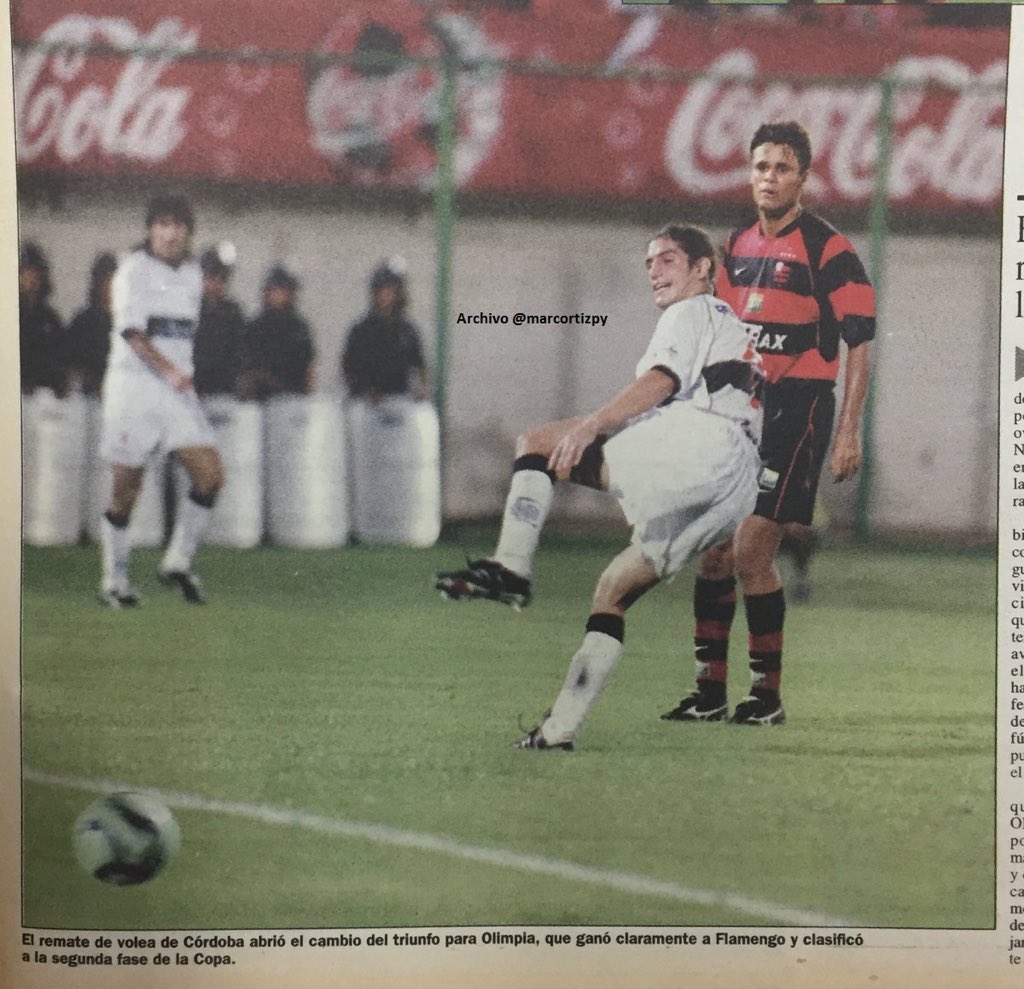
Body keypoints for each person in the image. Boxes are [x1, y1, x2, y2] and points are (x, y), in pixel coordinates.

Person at [435, 224, 763, 750]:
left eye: (668, 259)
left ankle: (511, 569)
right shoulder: (726, 324)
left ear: (704, 268)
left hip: (706, 449)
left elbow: (661, 381)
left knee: (538, 443)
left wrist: (593, 424)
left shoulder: (692, 311)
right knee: (612, 590)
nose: (654, 271)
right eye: (649, 263)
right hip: (733, 486)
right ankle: (558, 729)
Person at [661, 120, 875, 727]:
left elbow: (860, 341)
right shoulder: (739, 246)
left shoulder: (828, 249)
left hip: (799, 413)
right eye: (760, 166)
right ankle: (708, 695)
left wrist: (850, 429)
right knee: (713, 555)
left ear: (803, 178)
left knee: (752, 549)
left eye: (782, 167)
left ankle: (767, 697)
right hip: (742, 417)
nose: (769, 178)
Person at [99, 193, 224, 607]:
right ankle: (114, 581)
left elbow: (182, 337)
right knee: (125, 490)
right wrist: (168, 369)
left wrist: (181, 377)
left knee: (210, 475)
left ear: (189, 233)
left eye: (179, 226)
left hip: (175, 393)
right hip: (134, 388)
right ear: (150, 229)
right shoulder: (133, 270)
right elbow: (134, 334)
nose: (171, 233)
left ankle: (177, 562)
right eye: (164, 224)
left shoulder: (192, 273)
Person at [341, 257, 429, 403]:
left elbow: (420, 366)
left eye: (392, 290)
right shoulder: (361, 329)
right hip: (366, 402)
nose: (387, 295)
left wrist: (422, 389)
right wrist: (364, 391)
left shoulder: (407, 330)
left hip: (400, 399)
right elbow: (348, 368)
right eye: (383, 289)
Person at [236, 265, 316, 401]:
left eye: (284, 290)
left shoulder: (299, 326)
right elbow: (245, 365)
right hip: (260, 400)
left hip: (293, 397)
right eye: (276, 290)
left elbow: (308, 365)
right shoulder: (255, 326)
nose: (280, 295)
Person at [194, 244, 245, 397]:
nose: (216, 282)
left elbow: (239, 352)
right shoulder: (190, 309)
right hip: (193, 392)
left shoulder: (232, 312)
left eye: (222, 277)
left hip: (224, 393)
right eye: (211, 276)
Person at [19, 242, 67, 397]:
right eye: (26, 273)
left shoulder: (51, 319)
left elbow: (61, 359)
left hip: (46, 398)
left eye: (36, 273)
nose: (31, 278)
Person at [66, 251, 117, 396]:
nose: (109, 285)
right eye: (105, 279)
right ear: (97, 283)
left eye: (113, 279)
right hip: (89, 399)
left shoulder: (129, 322)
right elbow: (72, 367)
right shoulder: (83, 321)